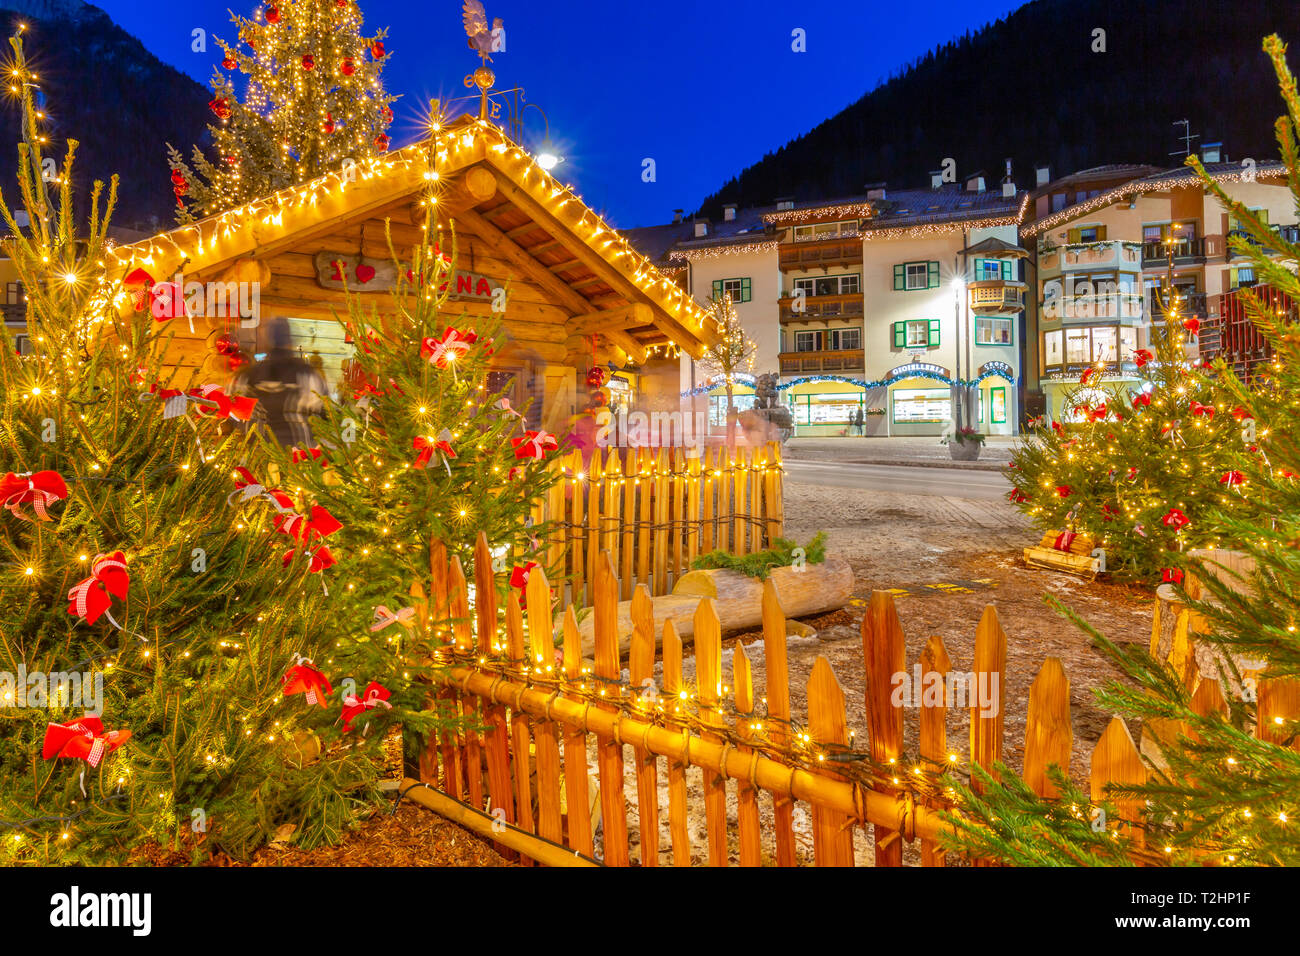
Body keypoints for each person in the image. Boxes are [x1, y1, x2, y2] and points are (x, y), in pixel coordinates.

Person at [232, 318, 329, 448]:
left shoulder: (249, 376)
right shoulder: (308, 375)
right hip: (301, 456)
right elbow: (325, 413)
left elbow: (235, 413)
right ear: (289, 340)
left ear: (266, 341)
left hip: (259, 454)